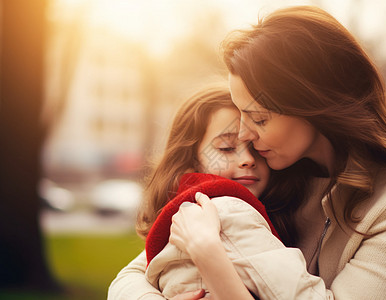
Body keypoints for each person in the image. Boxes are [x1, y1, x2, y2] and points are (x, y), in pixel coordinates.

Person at [168, 5, 386, 300]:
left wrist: (209, 255)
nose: (244, 134)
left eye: (259, 118)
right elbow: (136, 274)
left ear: (313, 106)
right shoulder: (279, 176)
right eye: (241, 115)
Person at [109, 85, 309, 299]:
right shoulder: (227, 210)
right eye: (226, 148)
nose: (248, 160)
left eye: (255, 148)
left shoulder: (193, 211)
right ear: (191, 160)